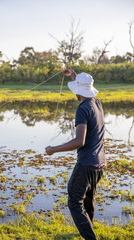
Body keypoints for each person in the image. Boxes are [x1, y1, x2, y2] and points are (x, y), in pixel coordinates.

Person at [45, 69, 105, 240]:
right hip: (100, 163)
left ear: (79, 91)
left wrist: (53, 149)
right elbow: (83, 86)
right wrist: (74, 76)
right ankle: (89, 230)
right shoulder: (97, 103)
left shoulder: (82, 109)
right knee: (88, 199)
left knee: (74, 201)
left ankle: (90, 237)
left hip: (86, 163)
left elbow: (80, 141)